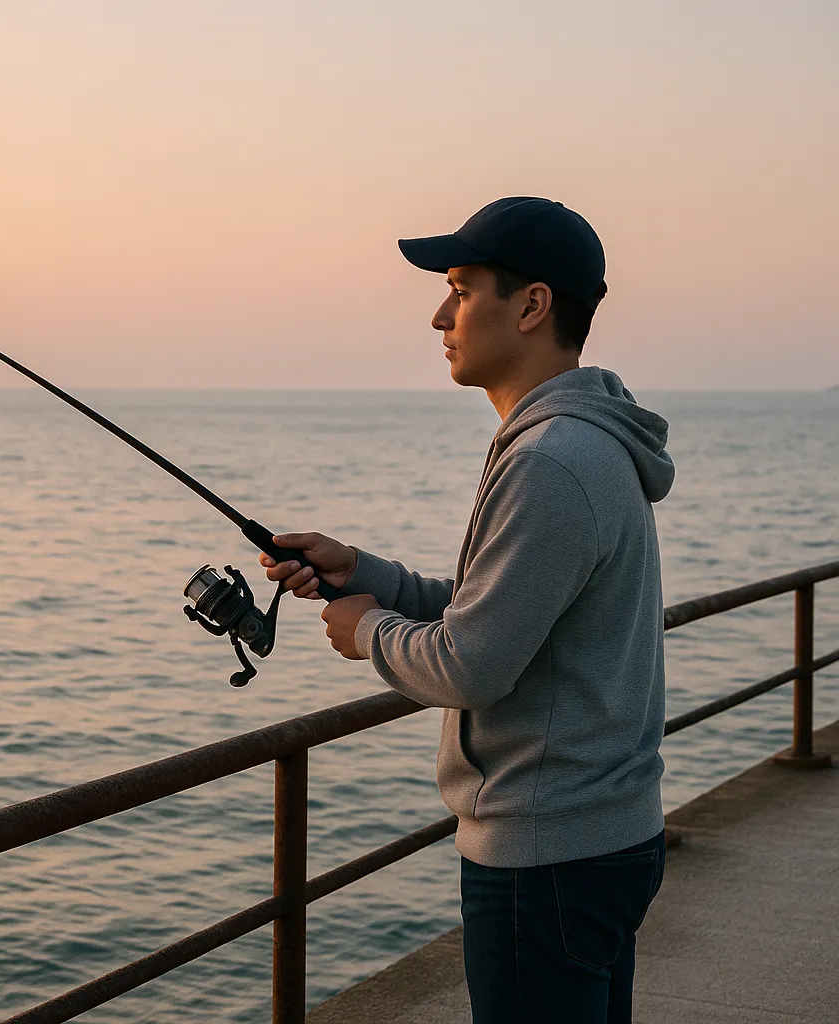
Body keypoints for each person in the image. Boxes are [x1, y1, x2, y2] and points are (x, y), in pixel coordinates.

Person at [261, 197, 675, 1023]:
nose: (438, 315)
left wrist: (366, 631)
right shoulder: (583, 442)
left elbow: (473, 664)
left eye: (460, 288)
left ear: (531, 305)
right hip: (602, 837)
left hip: (544, 855)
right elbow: (507, 615)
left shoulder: (551, 460)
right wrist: (365, 574)